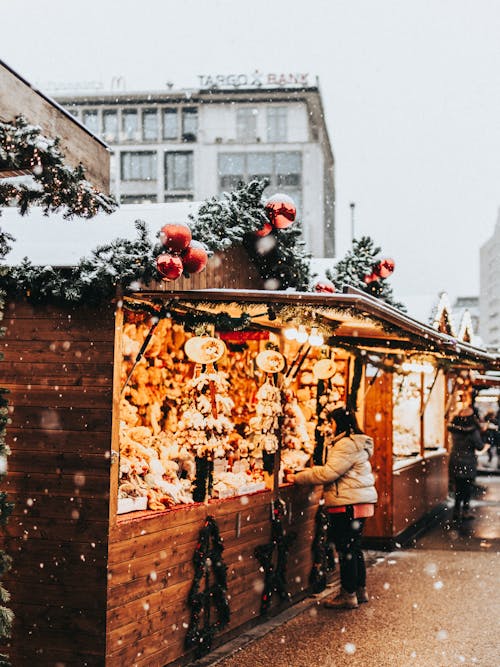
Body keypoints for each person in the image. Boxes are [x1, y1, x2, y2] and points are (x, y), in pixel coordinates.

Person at [285, 406, 377, 610]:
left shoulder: (346, 444)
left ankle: (348, 594)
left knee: (347, 549)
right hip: (358, 501)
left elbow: (328, 473)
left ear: (340, 423)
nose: (330, 426)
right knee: (354, 548)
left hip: (348, 503)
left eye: (332, 422)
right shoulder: (356, 442)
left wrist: (298, 476)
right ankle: (359, 590)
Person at [448, 406, 484, 522]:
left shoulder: (454, 429)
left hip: (456, 460)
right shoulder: (473, 431)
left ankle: (456, 511)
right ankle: (465, 511)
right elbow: (479, 446)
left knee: (458, 486)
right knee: (467, 487)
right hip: (468, 462)